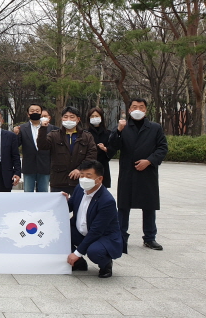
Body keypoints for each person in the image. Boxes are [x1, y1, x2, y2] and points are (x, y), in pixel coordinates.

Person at [109, 98, 168, 252]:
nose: (138, 109)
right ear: (129, 110)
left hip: (147, 172)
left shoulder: (155, 128)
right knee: (123, 206)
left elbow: (162, 148)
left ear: (146, 110)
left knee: (149, 205)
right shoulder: (122, 127)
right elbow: (113, 146)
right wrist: (118, 131)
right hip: (128, 172)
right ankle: (121, 236)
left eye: (141, 107)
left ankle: (149, 238)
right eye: (134, 107)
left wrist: (149, 161)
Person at [64, 160, 122, 278]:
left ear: (99, 179)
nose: (84, 179)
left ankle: (106, 263)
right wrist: (62, 201)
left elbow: (96, 231)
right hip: (81, 230)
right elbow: (70, 206)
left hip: (102, 236)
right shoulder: (79, 189)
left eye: (88, 176)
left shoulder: (107, 201)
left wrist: (77, 253)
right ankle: (79, 263)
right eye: (82, 175)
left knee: (94, 251)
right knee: (59, 231)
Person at [37, 106, 97, 195]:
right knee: (59, 208)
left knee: (79, 207)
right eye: (65, 117)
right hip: (58, 181)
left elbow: (91, 155)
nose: (68, 119)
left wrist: (80, 169)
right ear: (62, 119)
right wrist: (42, 128)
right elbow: (42, 146)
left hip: (80, 181)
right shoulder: (54, 135)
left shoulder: (86, 136)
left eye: (72, 117)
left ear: (78, 119)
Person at [14, 104, 56, 192]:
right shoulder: (22, 128)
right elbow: (15, 145)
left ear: (41, 113)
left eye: (37, 111)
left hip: (45, 165)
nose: (35, 112)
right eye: (32, 111)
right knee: (28, 193)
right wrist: (15, 134)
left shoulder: (51, 128)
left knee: (43, 193)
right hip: (29, 166)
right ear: (28, 114)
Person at [84, 107, 114, 187]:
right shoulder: (84, 133)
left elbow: (112, 150)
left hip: (103, 165)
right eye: (92, 116)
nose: (94, 118)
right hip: (88, 166)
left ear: (101, 117)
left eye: (97, 116)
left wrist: (105, 149)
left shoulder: (108, 133)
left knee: (102, 191)